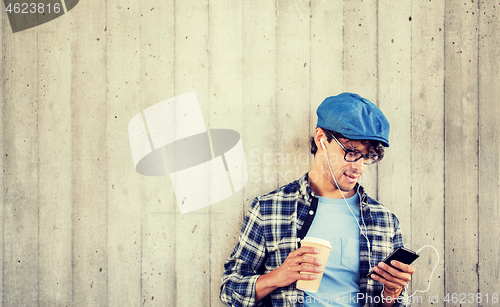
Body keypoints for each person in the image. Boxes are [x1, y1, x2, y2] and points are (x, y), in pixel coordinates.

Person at [220, 93, 415, 307]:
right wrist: (277, 277)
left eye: (367, 156)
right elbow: (230, 290)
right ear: (321, 139)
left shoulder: (385, 221)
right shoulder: (270, 209)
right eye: (351, 152)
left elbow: (396, 304)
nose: (359, 167)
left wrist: (392, 293)